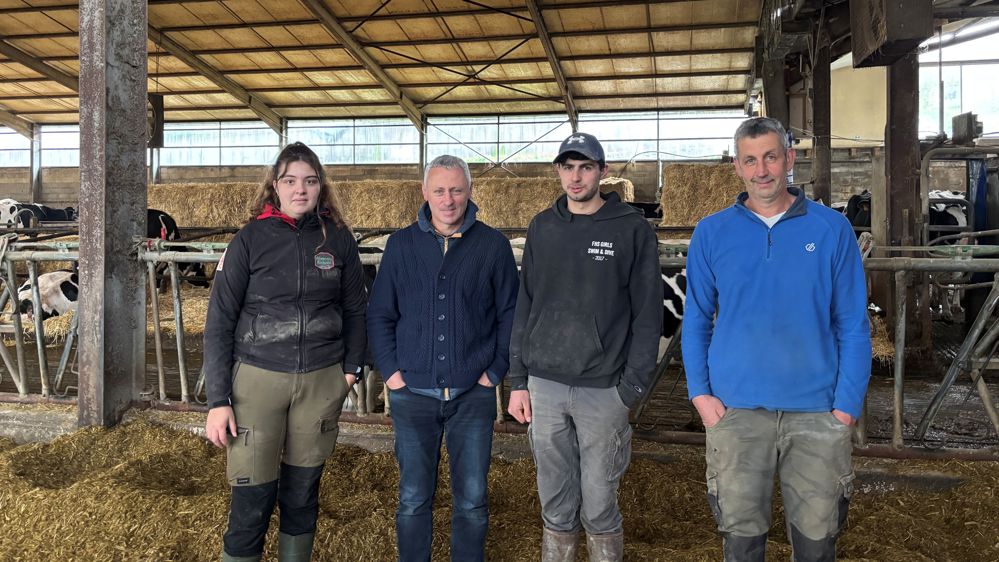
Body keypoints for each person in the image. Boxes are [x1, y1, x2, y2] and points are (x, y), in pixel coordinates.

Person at [681, 117, 871, 562]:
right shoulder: (712, 232)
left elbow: (853, 324)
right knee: (741, 539)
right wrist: (701, 395)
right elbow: (696, 320)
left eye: (770, 157)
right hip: (736, 411)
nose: (761, 170)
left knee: (818, 539)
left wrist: (845, 408)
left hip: (818, 414)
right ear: (737, 167)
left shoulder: (831, 229)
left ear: (789, 158)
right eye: (750, 160)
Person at [203, 142, 368, 562]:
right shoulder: (249, 240)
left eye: (310, 181)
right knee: (251, 499)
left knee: (302, 494)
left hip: (320, 381)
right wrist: (218, 400)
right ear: (274, 186)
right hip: (256, 382)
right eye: (290, 181)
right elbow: (220, 320)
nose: (301, 190)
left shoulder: (339, 239)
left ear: (320, 187)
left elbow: (355, 309)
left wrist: (348, 373)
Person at [506, 132, 663, 562]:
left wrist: (630, 388)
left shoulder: (631, 230)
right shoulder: (543, 226)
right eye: (567, 167)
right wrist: (518, 380)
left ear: (603, 172)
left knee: (598, 499)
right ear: (557, 170)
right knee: (554, 499)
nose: (575, 177)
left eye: (586, 167)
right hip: (545, 386)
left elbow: (647, 316)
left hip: (603, 389)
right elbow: (526, 304)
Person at [366, 154, 519, 562]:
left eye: (456, 190)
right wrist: (392, 374)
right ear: (424, 192)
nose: (448, 199)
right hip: (411, 393)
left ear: (470, 192)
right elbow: (380, 313)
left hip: (473, 393)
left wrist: (493, 372)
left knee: (471, 498)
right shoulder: (400, 245)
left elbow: (510, 314)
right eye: (439, 190)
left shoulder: (493, 245)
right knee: (414, 496)